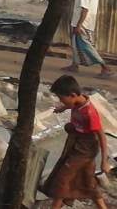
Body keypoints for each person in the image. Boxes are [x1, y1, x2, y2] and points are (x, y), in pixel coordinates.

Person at [40, 75, 109, 208]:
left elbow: (102, 136)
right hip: (76, 143)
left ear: (72, 95)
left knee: (62, 178)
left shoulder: (89, 113)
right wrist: (63, 107)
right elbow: (73, 104)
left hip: (85, 150)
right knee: (88, 181)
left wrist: (104, 161)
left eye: (62, 99)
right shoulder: (77, 100)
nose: (61, 101)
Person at [63, 0, 113, 77]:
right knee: (75, 44)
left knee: (86, 46)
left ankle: (105, 68)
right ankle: (74, 65)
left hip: (82, 24)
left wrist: (79, 25)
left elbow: (84, 10)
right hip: (88, 23)